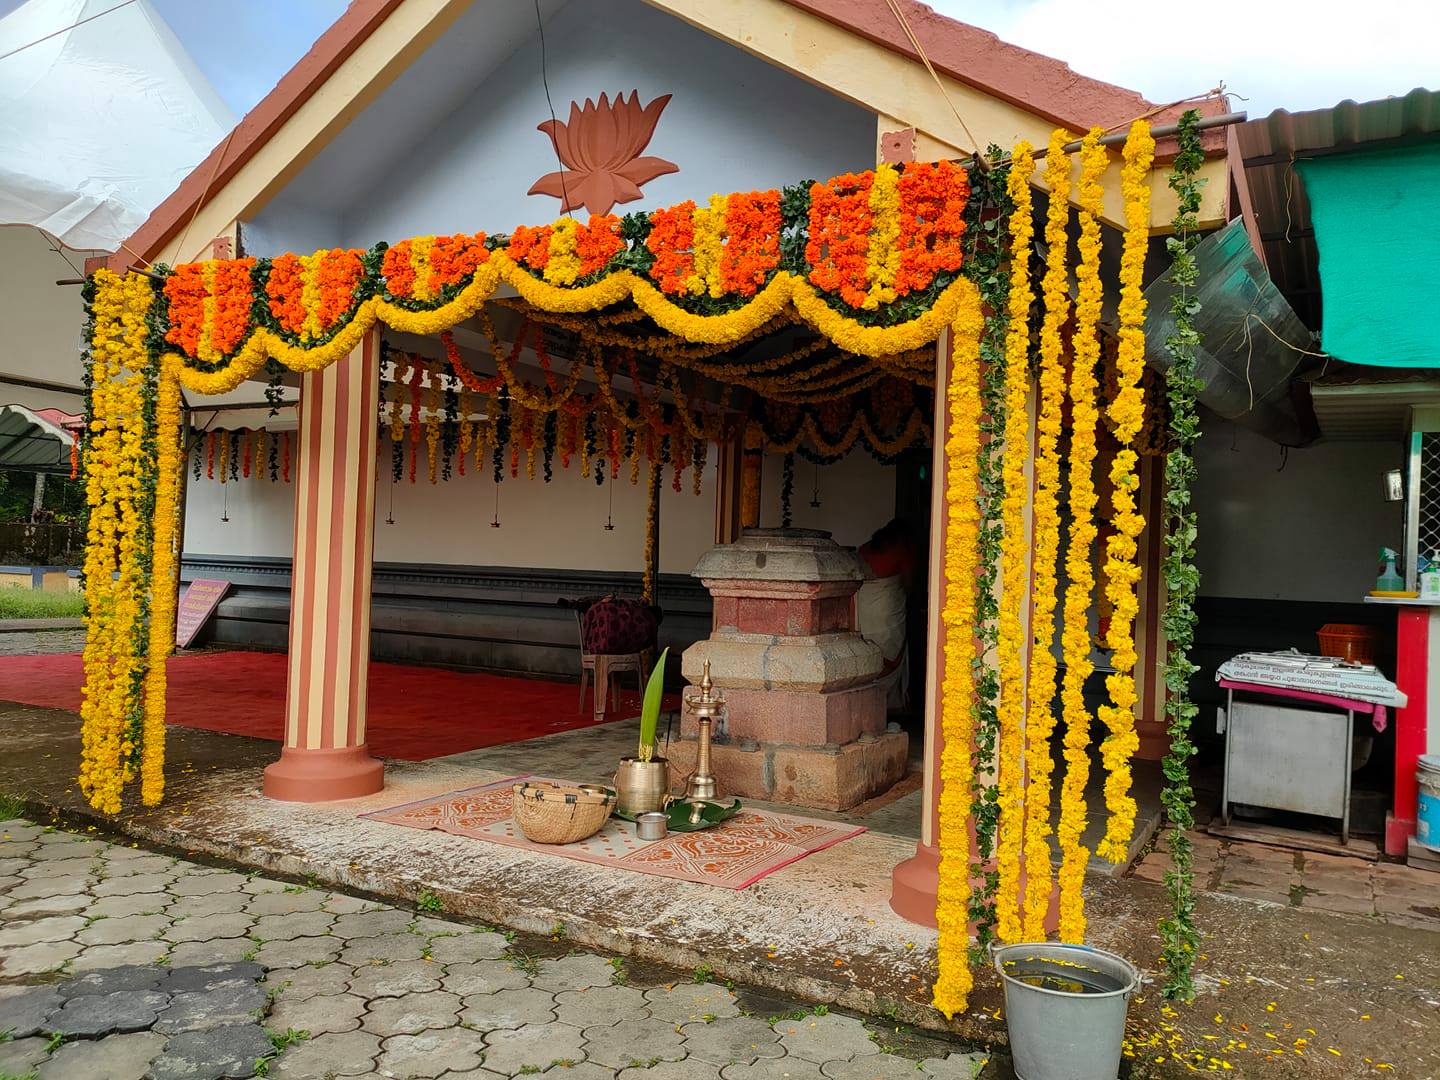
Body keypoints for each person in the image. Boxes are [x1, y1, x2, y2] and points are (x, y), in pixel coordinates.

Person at [856, 517, 917, 713]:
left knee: (868, 653)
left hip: (863, 610)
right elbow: (909, 583)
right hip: (887, 610)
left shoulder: (865, 548)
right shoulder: (903, 550)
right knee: (889, 651)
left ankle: (865, 702)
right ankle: (889, 705)